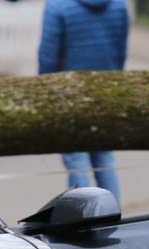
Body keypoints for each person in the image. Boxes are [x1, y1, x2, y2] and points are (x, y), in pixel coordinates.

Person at [37, 0, 129, 201]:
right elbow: (121, 51)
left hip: (69, 95)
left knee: (76, 160)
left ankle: (82, 218)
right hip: (107, 91)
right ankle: (113, 214)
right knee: (104, 159)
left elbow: (48, 55)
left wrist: (44, 91)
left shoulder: (57, 6)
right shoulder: (118, 5)